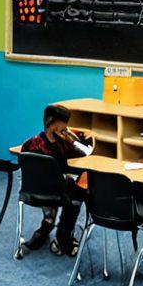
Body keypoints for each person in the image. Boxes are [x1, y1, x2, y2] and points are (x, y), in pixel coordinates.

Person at [17, 103, 94, 257]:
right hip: (58, 192)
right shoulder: (62, 145)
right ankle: (63, 237)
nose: (66, 129)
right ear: (53, 124)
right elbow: (83, 155)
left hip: (33, 190)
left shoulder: (30, 143)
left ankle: (46, 224)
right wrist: (74, 140)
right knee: (80, 191)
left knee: (56, 184)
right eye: (64, 127)